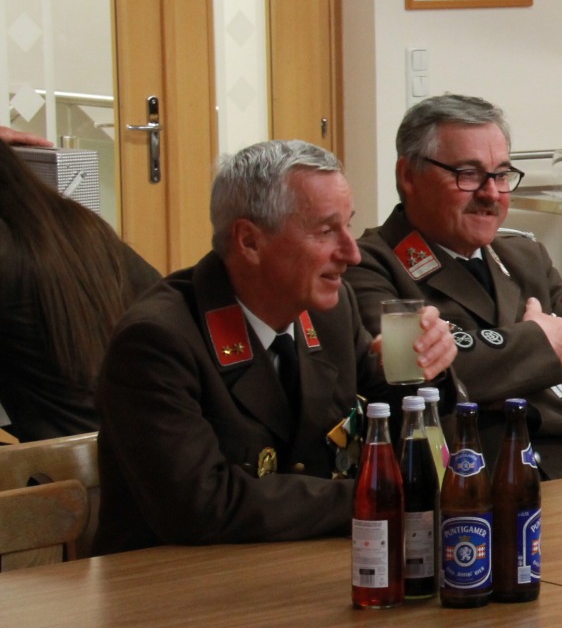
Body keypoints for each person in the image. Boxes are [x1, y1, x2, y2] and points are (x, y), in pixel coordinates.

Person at [94, 140, 457, 554]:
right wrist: (377, 495)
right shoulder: (157, 340)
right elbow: (202, 505)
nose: (352, 253)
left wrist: (427, 367)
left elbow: (389, 414)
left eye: (348, 226)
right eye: (326, 231)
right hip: (172, 580)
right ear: (249, 241)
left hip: (297, 562)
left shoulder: (329, 312)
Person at [349, 94, 562, 475]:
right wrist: (539, 342)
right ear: (409, 176)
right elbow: (413, 380)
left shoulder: (525, 258)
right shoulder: (368, 265)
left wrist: (509, 402)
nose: (491, 193)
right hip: (463, 495)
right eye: (468, 174)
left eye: (501, 175)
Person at [0, 142, 160, 442]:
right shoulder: (83, 226)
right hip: (147, 442)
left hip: (64, 460)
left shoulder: (10, 249)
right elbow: (166, 306)